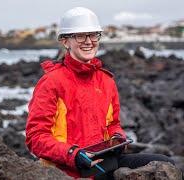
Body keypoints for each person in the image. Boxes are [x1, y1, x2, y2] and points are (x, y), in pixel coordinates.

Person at [25, 7, 175, 179]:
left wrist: (118, 138)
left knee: (165, 165)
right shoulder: (51, 82)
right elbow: (35, 137)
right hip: (67, 169)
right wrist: (73, 154)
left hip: (105, 163)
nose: (88, 41)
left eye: (93, 35)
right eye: (80, 35)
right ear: (65, 42)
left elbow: (113, 124)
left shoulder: (106, 81)